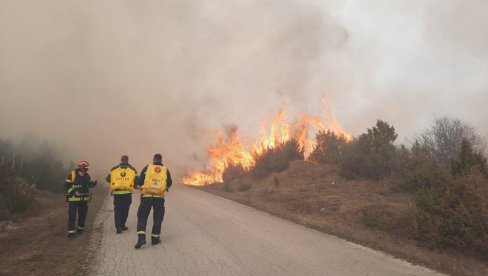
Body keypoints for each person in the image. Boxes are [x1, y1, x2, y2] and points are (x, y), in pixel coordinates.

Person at [134, 153, 172, 249]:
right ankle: (155, 239)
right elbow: (169, 183)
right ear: (161, 160)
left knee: (142, 217)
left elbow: (140, 182)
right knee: (158, 218)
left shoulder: (147, 168)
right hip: (159, 198)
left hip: (146, 196)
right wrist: (165, 187)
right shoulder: (165, 170)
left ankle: (141, 238)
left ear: (153, 159)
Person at [106, 155, 138, 234]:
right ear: (128, 160)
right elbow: (137, 180)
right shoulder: (132, 169)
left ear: (121, 160)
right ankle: (122, 225)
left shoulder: (114, 169)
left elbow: (108, 179)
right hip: (127, 193)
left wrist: (116, 183)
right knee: (125, 210)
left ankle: (118, 227)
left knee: (118, 210)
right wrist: (134, 185)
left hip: (117, 193)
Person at [65, 161, 97, 238]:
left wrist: (93, 184)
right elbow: (67, 186)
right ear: (79, 168)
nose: (83, 171)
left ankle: (80, 228)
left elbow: (89, 185)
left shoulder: (87, 176)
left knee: (83, 214)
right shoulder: (72, 175)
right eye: (82, 169)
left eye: (85, 169)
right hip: (73, 199)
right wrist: (74, 192)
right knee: (72, 215)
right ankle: (71, 232)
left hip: (83, 199)